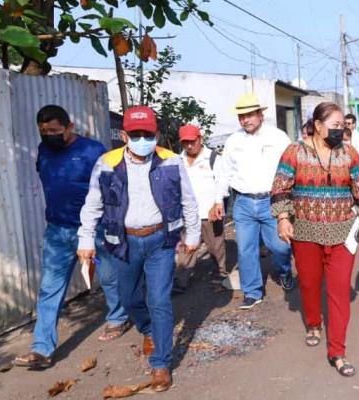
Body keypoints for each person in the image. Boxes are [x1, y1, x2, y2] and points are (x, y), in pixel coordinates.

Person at [76, 106, 200, 392]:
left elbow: (188, 200)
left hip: (161, 240)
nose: (142, 139)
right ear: (124, 135)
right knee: (129, 298)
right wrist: (85, 241)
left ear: (156, 134)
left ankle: (160, 364)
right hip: (123, 241)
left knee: (159, 300)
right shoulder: (107, 163)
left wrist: (192, 234)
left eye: (148, 134)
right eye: (136, 134)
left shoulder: (170, 161)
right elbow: (93, 204)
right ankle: (148, 329)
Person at [13, 105, 128, 370]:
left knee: (108, 276)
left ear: (69, 127)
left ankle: (118, 317)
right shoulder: (43, 150)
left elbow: (111, 189)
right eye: (44, 131)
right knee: (49, 288)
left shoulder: (93, 151)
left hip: (94, 229)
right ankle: (41, 349)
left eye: (54, 130)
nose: (49, 135)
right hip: (57, 231)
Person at [272, 101, 359, 377]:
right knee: (309, 282)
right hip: (305, 233)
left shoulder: (349, 153)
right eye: (335, 125)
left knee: (339, 289)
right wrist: (283, 218)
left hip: (343, 233)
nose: (340, 130)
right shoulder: (295, 152)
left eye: (343, 126)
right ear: (317, 126)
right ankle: (314, 322)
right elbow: (281, 188)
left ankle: (338, 351)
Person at [210, 93, 295, 310]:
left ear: (260, 114)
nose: (245, 120)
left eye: (249, 115)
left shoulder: (278, 137)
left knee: (280, 246)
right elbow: (224, 173)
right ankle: (252, 291)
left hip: (272, 202)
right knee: (246, 250)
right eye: (241, 116)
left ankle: (284, 271)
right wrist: (218, 200)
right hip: (244, 203)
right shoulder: (234, 141)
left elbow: (292, 167)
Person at [173, 124, 228, 293]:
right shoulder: (178, 160)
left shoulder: (212, 158)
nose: (189, 146)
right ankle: (181, 280)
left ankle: (220, 274)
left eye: (192, 141)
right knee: (186, 247)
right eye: (185, 143)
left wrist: (218, 202)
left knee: (215, 246)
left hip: (209, 211)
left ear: (200, 139)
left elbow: (222, 181)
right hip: (188, 214)